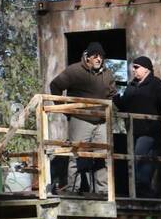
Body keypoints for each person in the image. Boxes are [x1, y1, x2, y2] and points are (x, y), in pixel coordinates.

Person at [48, 42, 116, 194]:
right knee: (76, 154)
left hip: (101, 121)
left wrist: (109, 111)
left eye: (101, 56)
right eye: (95, 56)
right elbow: (55, 85)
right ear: (88, 57)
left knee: (102, 155)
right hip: (80, 119)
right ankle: (74, 189)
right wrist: (64, 109)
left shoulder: (108, 74)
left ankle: (102, 191)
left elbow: (113, 94)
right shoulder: (74, 71)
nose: (99, 59)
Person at [117, 55, 161, 198]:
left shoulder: (156, 84)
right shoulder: (132, 86)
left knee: (140, 158)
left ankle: (142, 190)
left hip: (149, 131)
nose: (133, 70)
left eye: (136, 67)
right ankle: (140, 191)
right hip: (133, 130)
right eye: (133, 67)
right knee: (136, 159)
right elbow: (124, 104)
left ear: (146, 69)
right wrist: (115, 98)